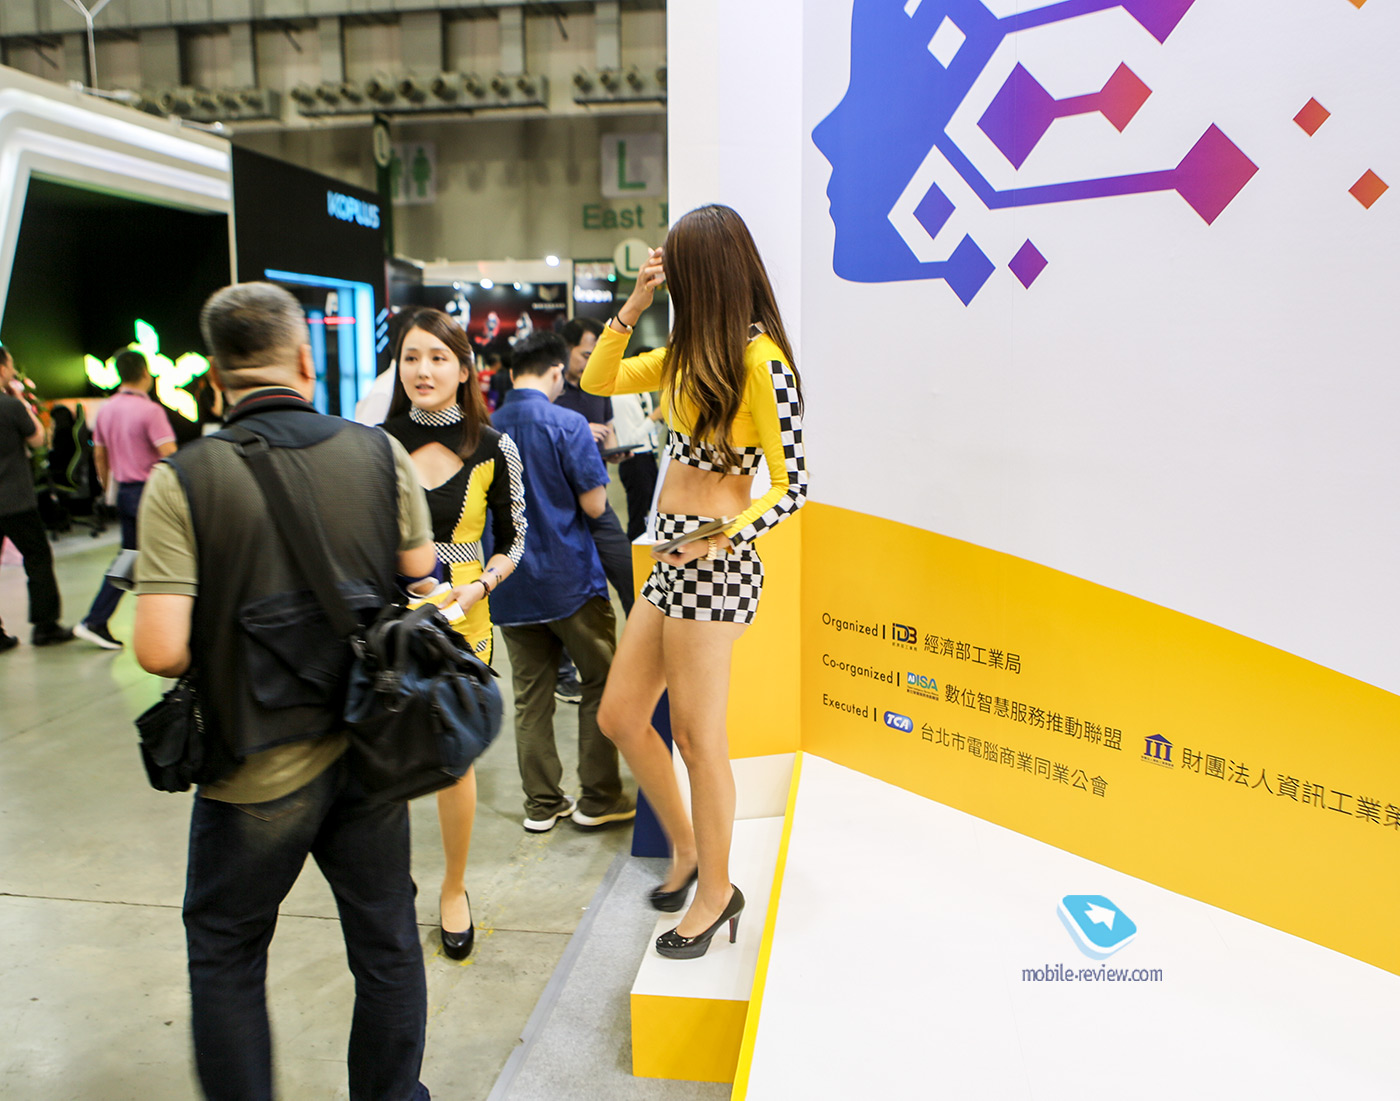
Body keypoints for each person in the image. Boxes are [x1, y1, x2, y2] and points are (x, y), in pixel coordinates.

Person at [132, 282, 436, 1100]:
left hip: (254, 761)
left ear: (216, 376)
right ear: (304, 359)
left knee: (228, 950)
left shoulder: (183, 479)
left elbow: (160, 648)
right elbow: (417, 569)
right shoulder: (377, 452)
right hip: (370, 743)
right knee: (386, 941)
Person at [583, 205, 808, 959]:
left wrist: (726, 534)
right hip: (669, 559)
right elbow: (599, 377)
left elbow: (795, 485)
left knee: (697, 737)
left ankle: (716, 892)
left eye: (676, 268)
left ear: (707, 272)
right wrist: (634, 303)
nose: (669, 277)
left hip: (715, 566)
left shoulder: (762, 362)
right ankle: (687, 847)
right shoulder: (687, 352)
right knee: (621, 714)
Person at [382, 308, 527, 960]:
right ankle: (391, 885)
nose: (424, 370)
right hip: (390, 619)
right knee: (385, 753)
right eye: (411, 357)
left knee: (453, 758)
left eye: (438, 357)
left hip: (466, 620)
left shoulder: (496, 446)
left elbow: (515, 537)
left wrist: (482, 585)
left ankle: (454, 886)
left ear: (464, 369)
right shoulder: (374, 443)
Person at [489, 332, 635, 833]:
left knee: (531, 698)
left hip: (509, 584)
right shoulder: (567, 423)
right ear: (556, 372)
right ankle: (599, 797)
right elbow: (595, 505)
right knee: (600, 682)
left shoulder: (484, 430)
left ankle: (542, 803)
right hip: (570, 580)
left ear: (513, 374)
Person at [72, 349, 177, 650]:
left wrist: (109, 491)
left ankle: (96, 620)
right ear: (145, 373)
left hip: (125, 493)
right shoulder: (150, 411)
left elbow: (99, 455)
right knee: (168, 558)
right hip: (152, 494)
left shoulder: (106, 409)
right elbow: (171, 456)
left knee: (130, 557)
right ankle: (170, 626)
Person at [557, 317, 634, 617]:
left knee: (628, 571)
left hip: (597, 498)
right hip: (559, 504)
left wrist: (612, 451)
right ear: (566, 349)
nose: (591, 363)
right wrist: (577, 431)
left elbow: (608, 429)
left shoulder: (598, 387)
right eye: (586, 355)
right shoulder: (551, 389)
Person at [0, 343, 72, 650]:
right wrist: (20, 400)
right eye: (10, 365)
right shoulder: (10, 406)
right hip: (15, 500)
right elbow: (38, 439)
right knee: (38, 558)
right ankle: (46, 627)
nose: (13, 371)